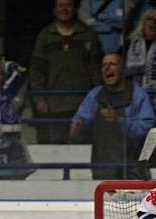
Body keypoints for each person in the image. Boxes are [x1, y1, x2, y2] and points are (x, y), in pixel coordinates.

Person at [70, 52, 155, 179]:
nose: (107, 67)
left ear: (124, 70)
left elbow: (147, 130)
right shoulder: (94, 95)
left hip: (133, 170)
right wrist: (78, 128)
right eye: (104, 65)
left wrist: (119, 121)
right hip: (102, 170)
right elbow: (76, 129)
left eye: (112, 64)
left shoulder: (138, 95)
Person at [29, 0, 102, 144]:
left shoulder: (88, 34)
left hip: (83, 106)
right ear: (54, 10)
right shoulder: (44, 36)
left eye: (68, 5)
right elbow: (36, 70)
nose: (64, 9)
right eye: (60, 5)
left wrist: (98, 98)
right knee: (58, 149)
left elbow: (97, 70)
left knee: (83, 150)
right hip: (54, 106)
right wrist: (39, 99)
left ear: (75, 8)